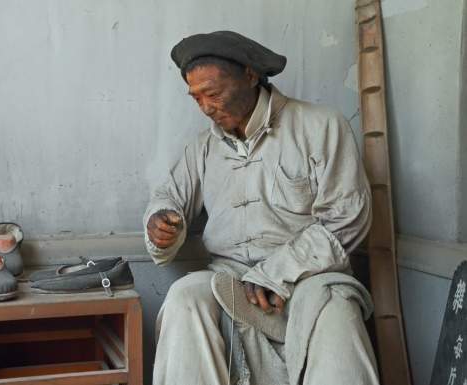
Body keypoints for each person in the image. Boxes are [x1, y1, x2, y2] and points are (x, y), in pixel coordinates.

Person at [144, 31, 380, 385]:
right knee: (184, 297)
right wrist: (160, 226)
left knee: (337, 311)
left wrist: (277, 271)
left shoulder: (320, 125)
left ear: (250, 75)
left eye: (214, 93)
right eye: (196, 98)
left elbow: (348, 217)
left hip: (308, 278)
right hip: (231, 278)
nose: (206, 107)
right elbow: (169, 198)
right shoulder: (204, 147)